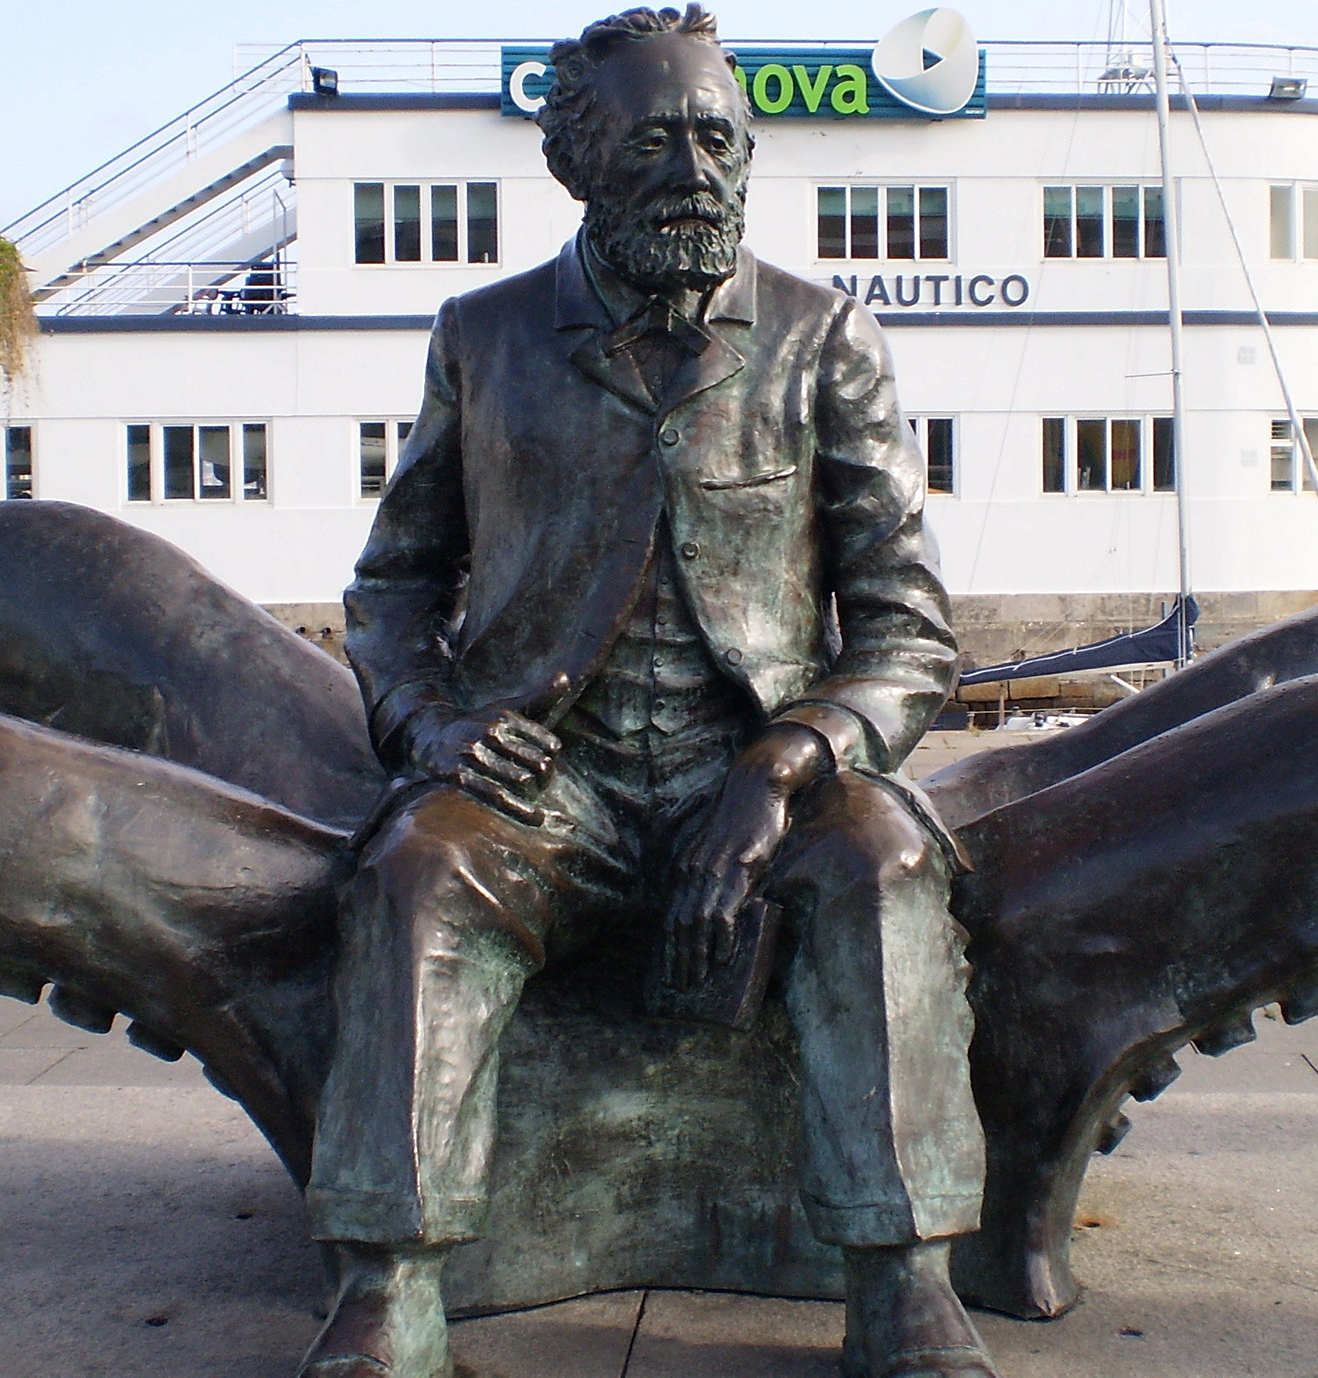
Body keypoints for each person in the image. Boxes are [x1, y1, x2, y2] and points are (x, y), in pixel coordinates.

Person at [300, 9, 993, 1375]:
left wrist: (788, 760)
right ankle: (392, 1279)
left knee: (888, 862)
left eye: (719, 138)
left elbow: (909, 629)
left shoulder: (823, 337)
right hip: (547, 789)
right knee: (417, 880)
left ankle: (903, 1273)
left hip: (765, 781)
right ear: (575, 156)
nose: (697, 169)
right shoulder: (482, 339)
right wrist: (435, 724)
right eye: (657, 138)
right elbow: (391, 589)